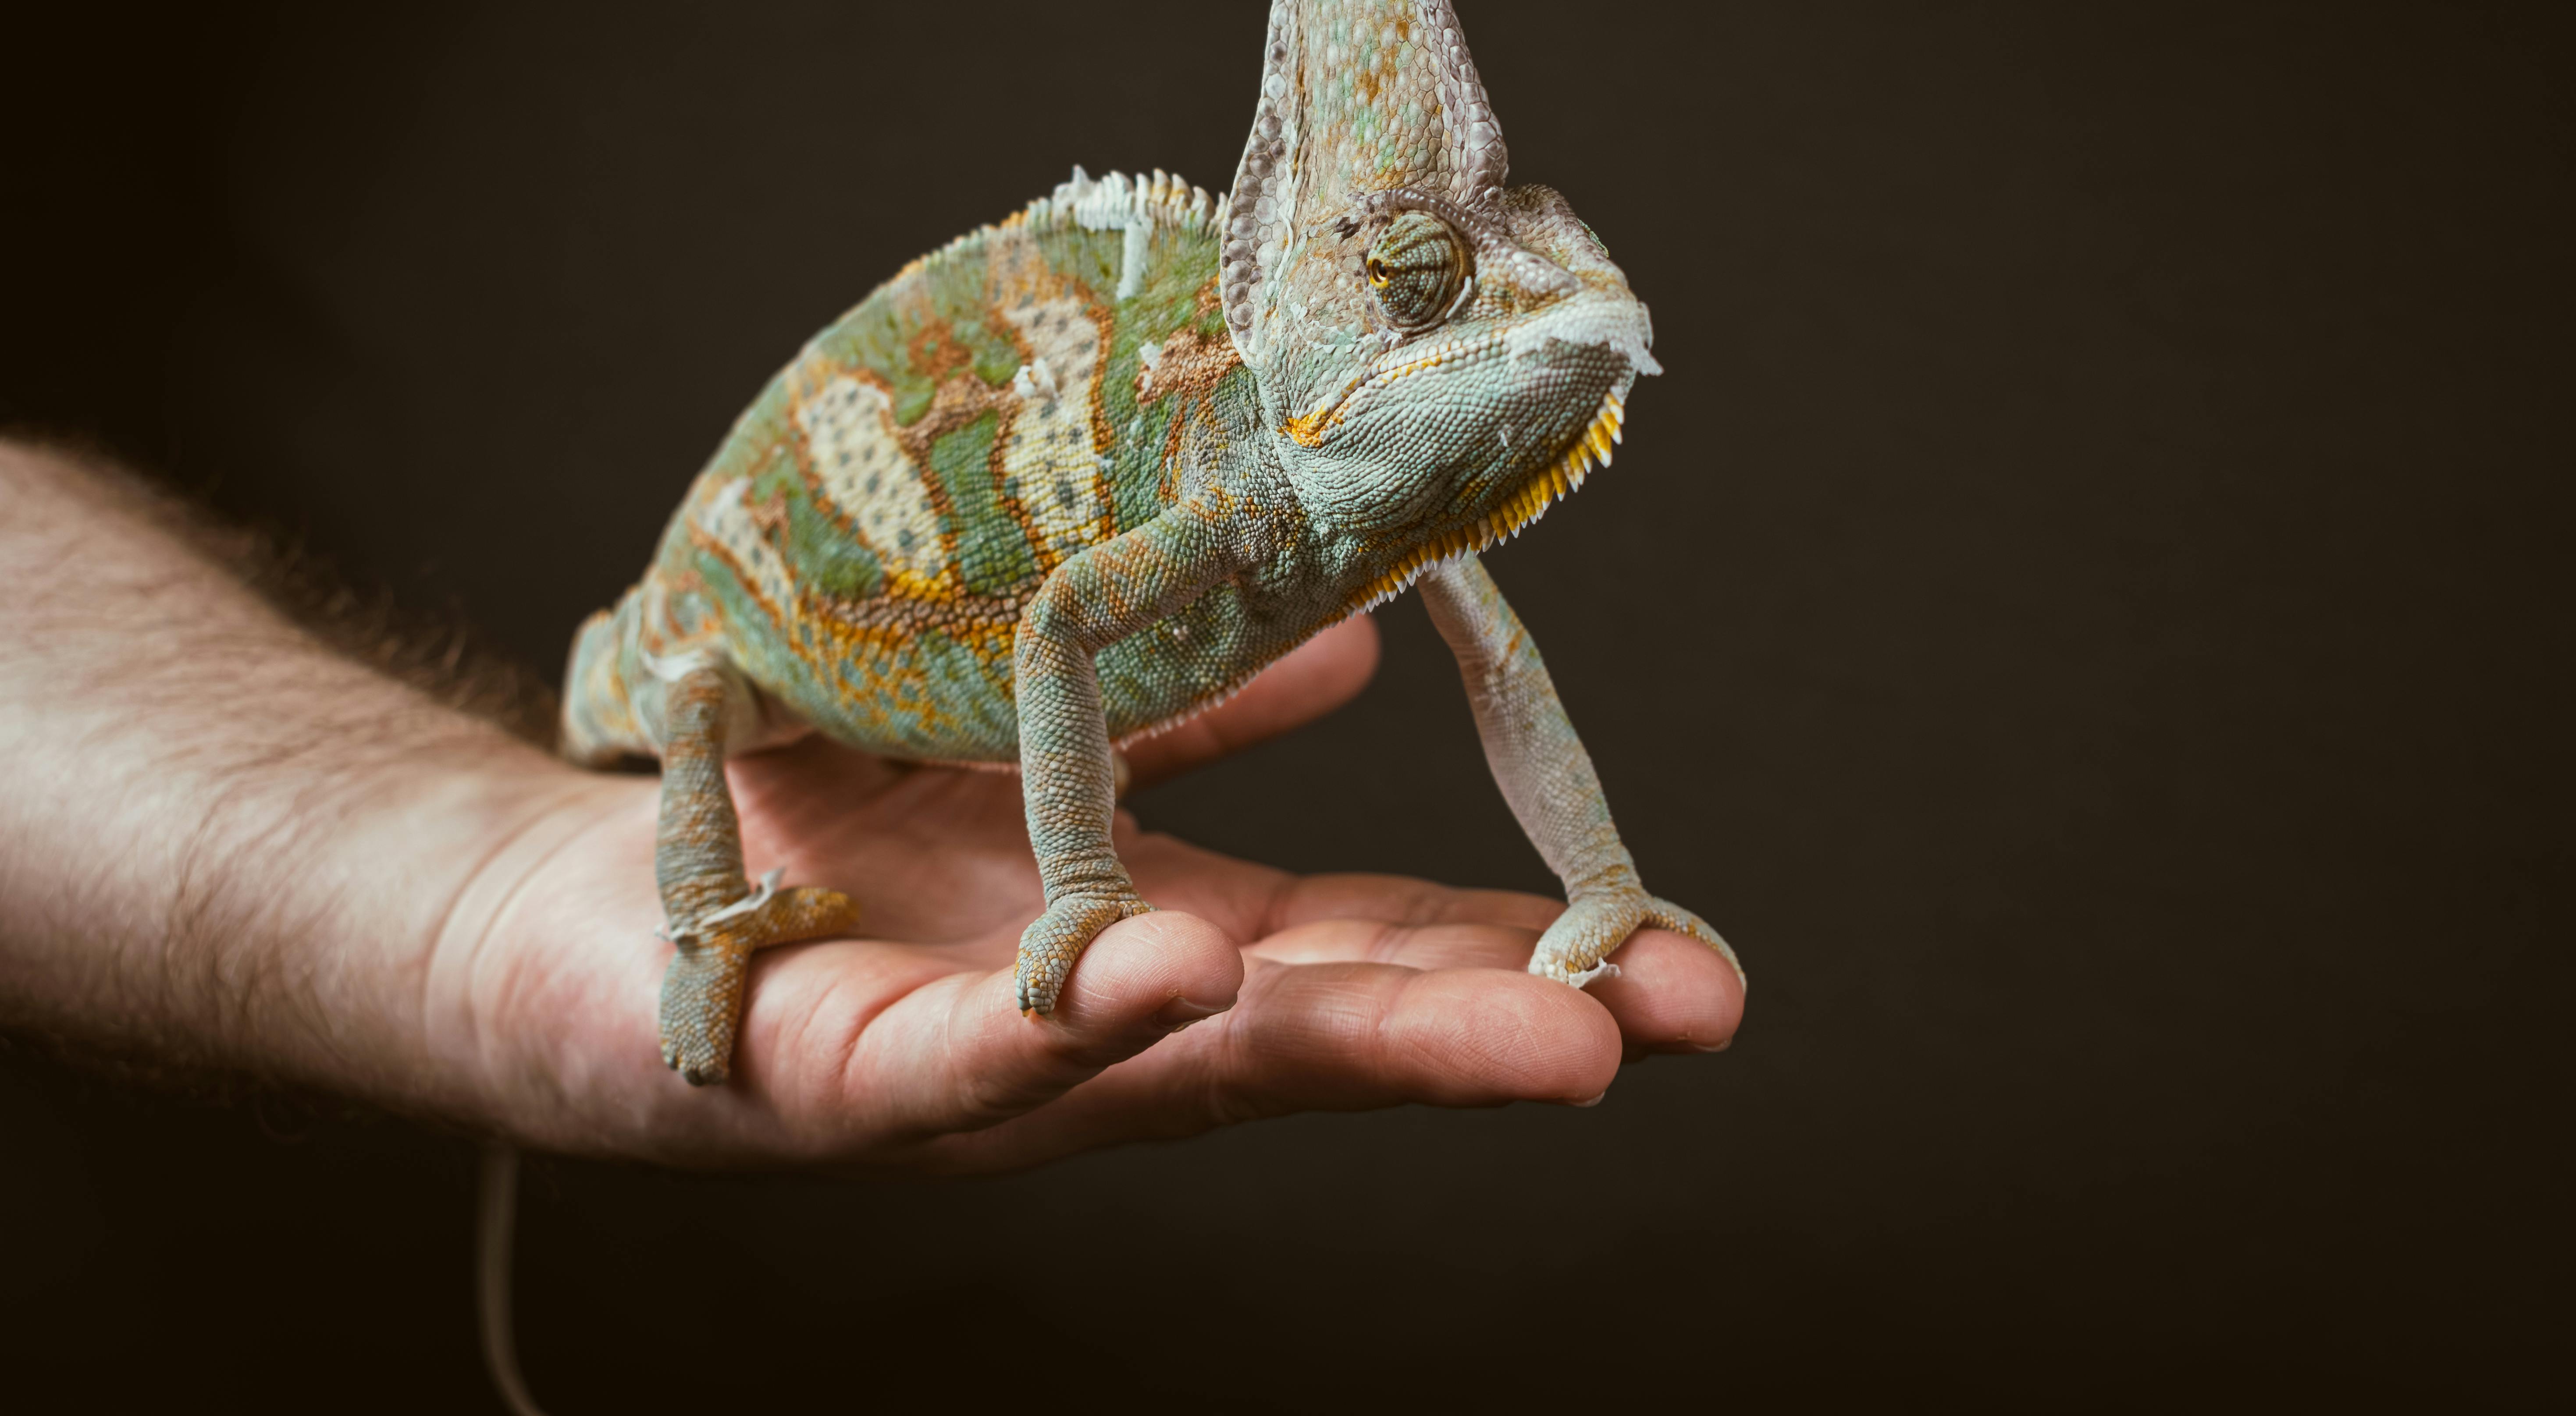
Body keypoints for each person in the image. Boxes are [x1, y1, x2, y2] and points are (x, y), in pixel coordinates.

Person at [0, 440, 1743, 1171]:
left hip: (912, 655)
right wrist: (1081, 883)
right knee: (693, 690)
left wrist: (1602, 874)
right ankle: (706, 918)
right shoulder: (1245, 451)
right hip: (731, 627)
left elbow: (1499, 666)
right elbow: (1058, 618)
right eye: (1427, 288)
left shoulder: (1367, 497)